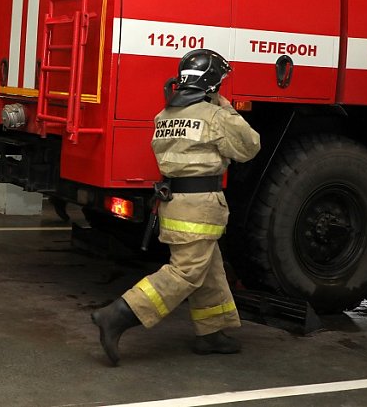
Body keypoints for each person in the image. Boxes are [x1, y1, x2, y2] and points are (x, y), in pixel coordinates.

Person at [91, 49, 260, 366]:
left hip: (174, 203)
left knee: (208, 268)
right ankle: (116, 316)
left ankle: (212, 333)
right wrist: (226, 108)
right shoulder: (215, 117)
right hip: (199, 206)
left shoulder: (165, 116)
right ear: (210, 85)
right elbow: (250, 147)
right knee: (185, 272)